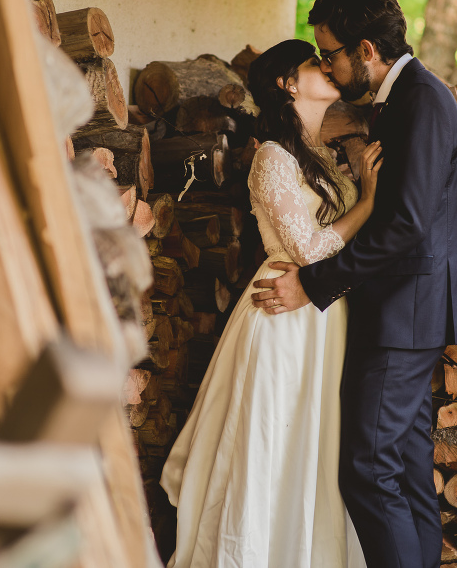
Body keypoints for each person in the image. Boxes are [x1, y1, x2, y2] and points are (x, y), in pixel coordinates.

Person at [251, 0, 457, 568]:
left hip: (404, 312)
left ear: (367, 51)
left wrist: (313, 284)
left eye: (330, 54)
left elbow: (405, 223)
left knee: (366, 472)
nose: (325, 64)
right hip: (402, 308)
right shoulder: (404, 99)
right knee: (400, 470)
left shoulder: (422, 102)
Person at [160, 39, 382, 568]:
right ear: (286, 84)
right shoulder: (272, 158)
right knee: (272, 438)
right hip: (284, 315)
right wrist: (369, 203)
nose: (327, 67)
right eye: (314, 63)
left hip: (327, 316)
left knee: (313, 444)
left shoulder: (325, 157)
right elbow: (307, 248)